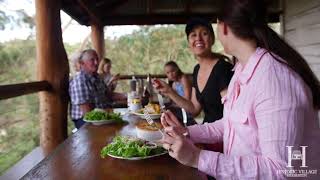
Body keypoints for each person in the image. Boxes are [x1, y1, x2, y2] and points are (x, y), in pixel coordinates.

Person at [160, 0, 320, 179]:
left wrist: (197, 158)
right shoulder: (242, 69)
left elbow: (279, 170)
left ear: (223, 28)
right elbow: (229, 124)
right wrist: (185, 131)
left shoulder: (273, 78)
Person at [154, 18, 234, 124]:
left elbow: (232, 115)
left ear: (212, 39)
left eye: (204, 33)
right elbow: (194, 109)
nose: (198, 38)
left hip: (225, 134)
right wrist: (169, 91)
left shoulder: (223, 68)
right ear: (189, 42)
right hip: (207, 130)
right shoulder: (197, 69)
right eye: (193, 35)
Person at [69, 49, 111, 129]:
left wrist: (128, 95)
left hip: (101, 116)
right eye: (92, 60)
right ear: (82, 63)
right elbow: (88, 114)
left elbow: (108, 94)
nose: (96, 63)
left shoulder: (97, 77)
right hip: (86, 122)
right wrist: (109, 116)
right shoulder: (80, 81)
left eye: (97, 59)